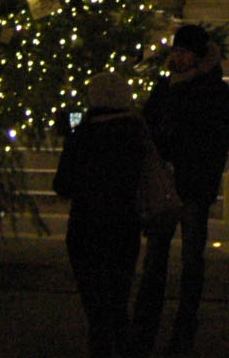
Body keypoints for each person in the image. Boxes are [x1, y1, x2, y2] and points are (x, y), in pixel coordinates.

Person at [131, 25, 229, 357]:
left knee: (191, 258)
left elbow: (211, 143)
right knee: (155, 258)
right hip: (164, 185)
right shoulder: (165, 89)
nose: (177, 57)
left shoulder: (216, 93)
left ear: (198, 55)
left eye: (184, 52)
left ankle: (184, 326)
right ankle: (144, 325)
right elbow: (148, 128)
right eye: (175, 51)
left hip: (193, 187)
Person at [53, 72, 150, 358]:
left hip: (86, 225)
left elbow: (62, 184)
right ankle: (123, 344)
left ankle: (102, 346)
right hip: (124, 224)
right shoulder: (136, 132)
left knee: (95, 303)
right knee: (118, 297)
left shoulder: (83, 134)